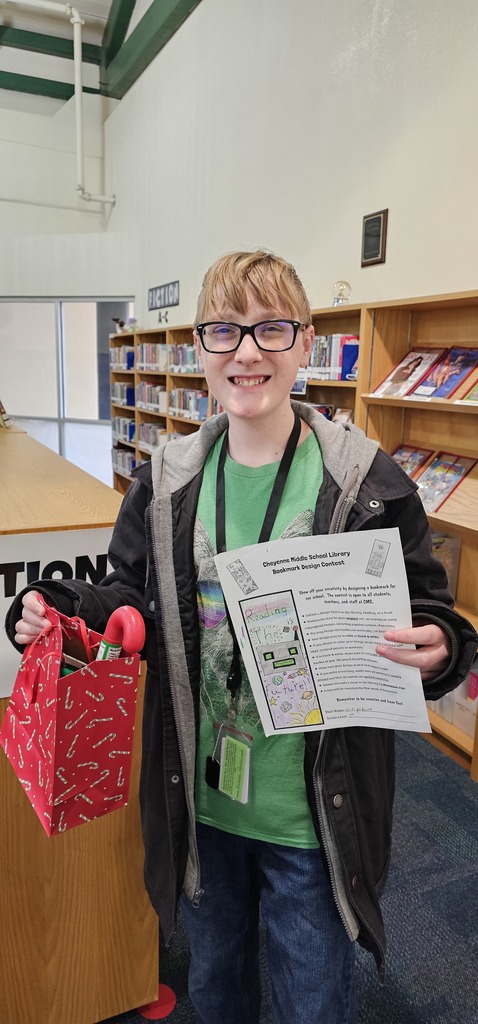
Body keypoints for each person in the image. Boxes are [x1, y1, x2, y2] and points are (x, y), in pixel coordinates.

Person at [7, 250, 477, 1024]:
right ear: (201, 350)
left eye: (270, 329)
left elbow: (431, 611)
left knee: (312, 994)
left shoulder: (368, 483)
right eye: (224, 331)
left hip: (312, 813)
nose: (247, 350)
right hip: (202, 802)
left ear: (305, 345)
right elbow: (130, 593)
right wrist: (61, 604)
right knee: (217, 981)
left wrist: (441, 645)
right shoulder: (166, 482)